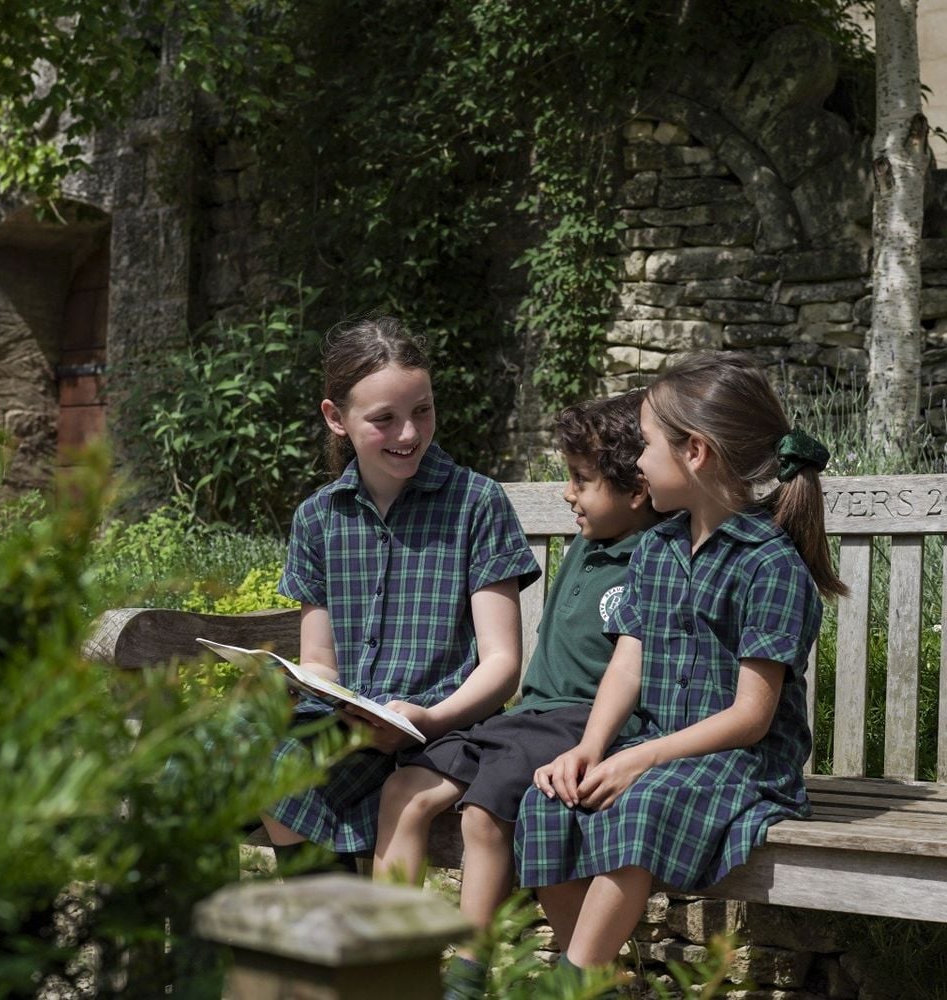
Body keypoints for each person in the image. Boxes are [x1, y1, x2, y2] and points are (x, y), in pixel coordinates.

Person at [518, 351, 846, 976]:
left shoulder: (768, 564)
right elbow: (627, 663)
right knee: (549, 801)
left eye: (645, 445)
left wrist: (637, 759)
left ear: (694, 452)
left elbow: (752, 718)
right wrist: (591, 747)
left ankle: (569, 982)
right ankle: (590, 979)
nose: (636, 462)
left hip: (744, 764)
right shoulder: (658, 549)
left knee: (640, 802)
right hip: (661, 747)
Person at [372, 391, 663, 995]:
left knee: (484, 814)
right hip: (526, 721)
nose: (567, 494)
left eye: (581, 481)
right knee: (404, 786)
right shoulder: (591, 539)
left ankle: (469, 971)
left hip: (582, 730)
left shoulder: (657, 556)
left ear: (637, 491)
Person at [262, 317, 541, 870]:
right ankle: (327, 942)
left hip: (449, 730)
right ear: (335, 418)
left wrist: (427, 718)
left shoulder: (475, 503)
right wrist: (317, 692)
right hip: (354, 730)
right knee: (269, 768)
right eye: (384, 420)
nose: (409, 434)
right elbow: (320, 659)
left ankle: (348, 946)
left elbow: (502, 663)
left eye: (422, 411)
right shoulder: (319, 517)